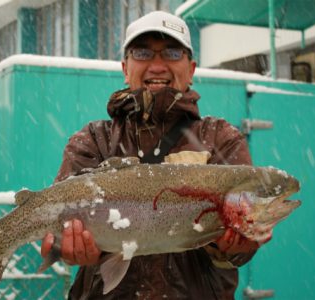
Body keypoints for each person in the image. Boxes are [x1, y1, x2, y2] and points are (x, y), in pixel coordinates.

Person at [41, 10, 263, 299]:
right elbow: (58, 226)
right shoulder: (94, 140)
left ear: (192, 68)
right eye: (143, 52)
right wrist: (70, 249)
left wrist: (238, 247)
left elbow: (241, 245)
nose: (157, 65)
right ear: (125, 67)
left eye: (172, 53)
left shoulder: (221, 139)